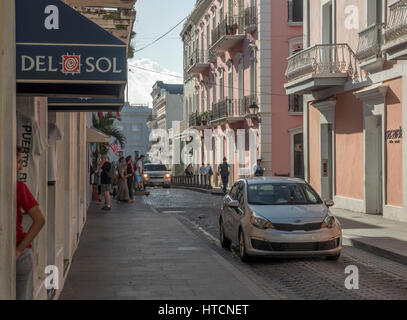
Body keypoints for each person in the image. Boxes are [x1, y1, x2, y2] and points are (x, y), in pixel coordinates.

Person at [16, 145, 46, 300]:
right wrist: (19, 250)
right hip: (19, 255)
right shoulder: (18, 187)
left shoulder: (18, 187)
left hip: (18, 255)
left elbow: (40, 221)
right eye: (18, 162)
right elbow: (40, 220)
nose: (20, 167)